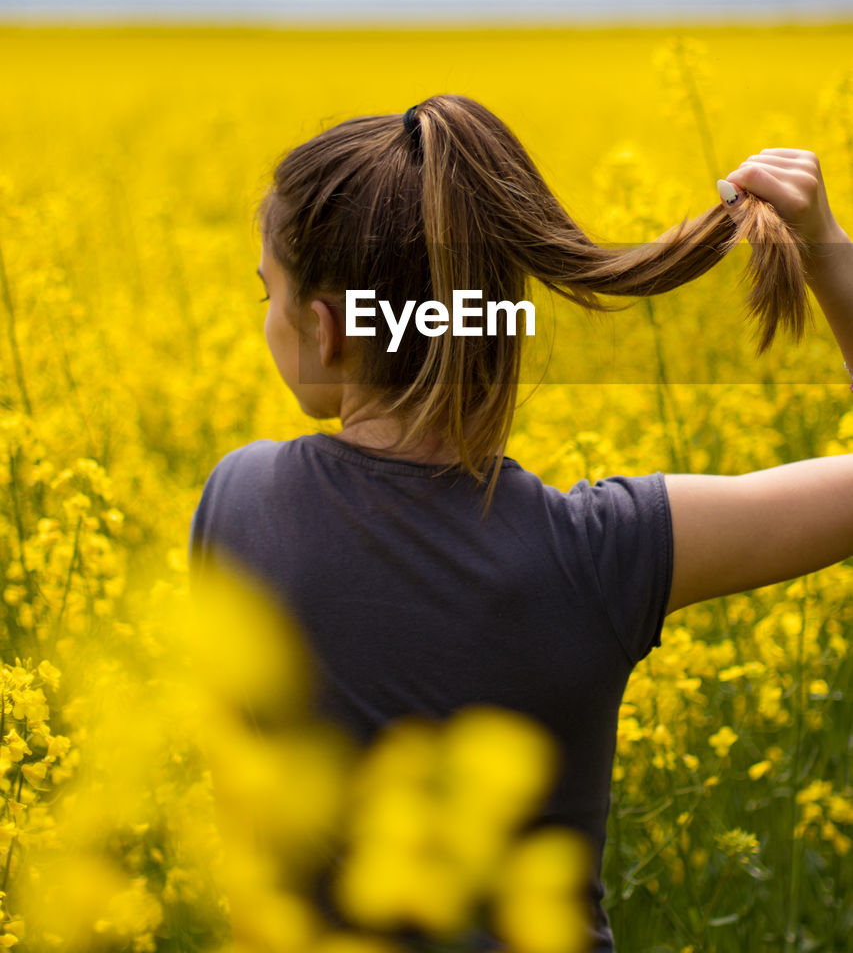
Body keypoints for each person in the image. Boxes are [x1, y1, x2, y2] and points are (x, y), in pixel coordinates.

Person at [188, 92, 853, 952]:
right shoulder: (601, 556)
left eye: (267, 294)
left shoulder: (238, 500)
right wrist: (827, 255)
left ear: (326, 331)